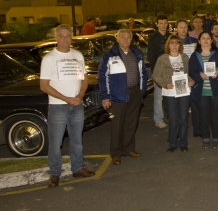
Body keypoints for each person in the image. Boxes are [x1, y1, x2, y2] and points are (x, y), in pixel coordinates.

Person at [39, 24, 95, 187]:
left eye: (68, 36)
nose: (65, 39)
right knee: (56, 141)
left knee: (77, 139)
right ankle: (55, 173)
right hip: (58, 106)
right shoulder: (49, 58)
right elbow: (44, 85)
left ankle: (77, 168)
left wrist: (79, 96)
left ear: (72, 37)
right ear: (56, 38)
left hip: (77, 104)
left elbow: (84, 79)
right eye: (61, 36)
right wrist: (66, 98)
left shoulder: (77, 55)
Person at [98, 29, 149, 165]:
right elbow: (103, 76)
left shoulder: (136, 53)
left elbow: (143, 72)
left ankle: (128, 149)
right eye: (123, 37)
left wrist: (141, 90)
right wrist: (105, 96)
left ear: (131, 40)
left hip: (134, 93)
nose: (126, 40)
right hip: (117, 95)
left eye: (128, 38)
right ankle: (116, 153)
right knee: (117, 125)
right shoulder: (109, 55)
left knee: (131, 123)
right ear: (118, 39)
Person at [152, 35, 194, 152]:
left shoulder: (185, 57)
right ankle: (172, 142)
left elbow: (188, 73)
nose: (174, 45)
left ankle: (183, 142)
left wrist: (191, 81)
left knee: (183, 118)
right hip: (170, 93)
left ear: (180, 45)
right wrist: (165, 84)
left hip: (184, 91)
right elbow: (156, 75)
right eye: (172, 43)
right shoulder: (162, 59)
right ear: (168, 45)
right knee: (173, 118)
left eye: (177, 43)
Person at [189, 32, 218, 148]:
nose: (206, 40)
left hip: (217, 90)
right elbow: (191, 71)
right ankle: (205, 139)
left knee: (215, 115)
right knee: (203, 116)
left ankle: (216, 138)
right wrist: (199, 75)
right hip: (201, 91)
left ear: (212, 41)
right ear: (199, 41)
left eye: (208, 38)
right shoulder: (195, 56)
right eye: (203, 38)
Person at [147, 15, 172, 129]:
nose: (163, 25)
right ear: (157, 24)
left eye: (165, 23)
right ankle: (158, 118)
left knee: (171, 95)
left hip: (170, 70)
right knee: (158, 97)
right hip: (158, 71)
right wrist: (154, 72)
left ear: (167, 24)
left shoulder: (171, 37)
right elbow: (151, 56)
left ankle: (171, 116)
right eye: (161, 23)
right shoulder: (152, 38)